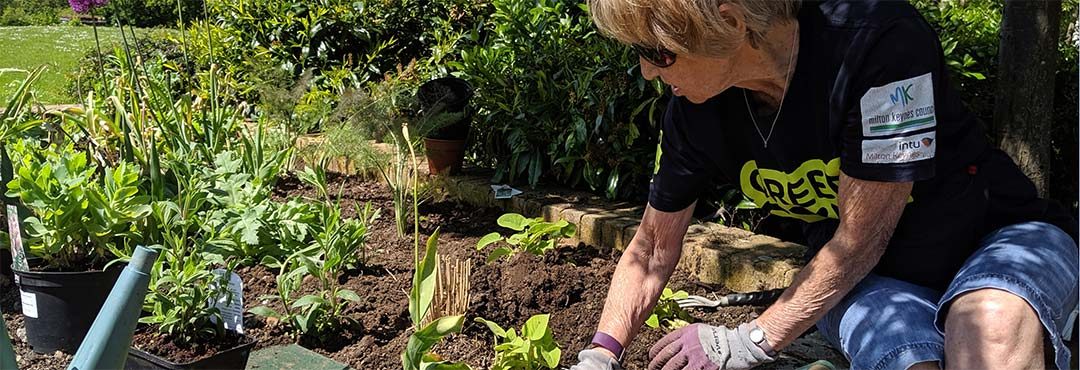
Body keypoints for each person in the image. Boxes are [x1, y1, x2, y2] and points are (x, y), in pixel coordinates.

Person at [570, 0, 1080, 369]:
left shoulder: (879, 46)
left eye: (657, 52)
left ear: (727, 22)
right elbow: (654, 246)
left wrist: (748, 341)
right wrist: (601, 353)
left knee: (985, 328)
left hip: (999, 235)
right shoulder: (694, 114)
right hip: (876, 278)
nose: (645, 72)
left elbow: (860, 241)